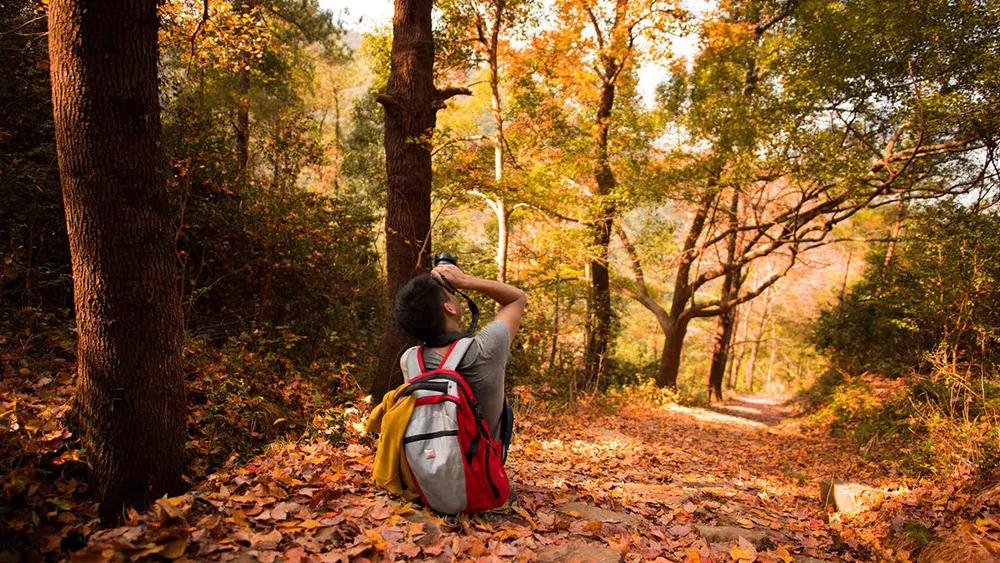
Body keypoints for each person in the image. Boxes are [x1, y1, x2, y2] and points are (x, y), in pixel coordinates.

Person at [393, 263, 527, 462]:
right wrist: (464, 281)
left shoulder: (410, 360)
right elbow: (517, 298)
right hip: (481, 478)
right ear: (449, 307)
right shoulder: (485, 349)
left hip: (428, 471)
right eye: (451, 294)